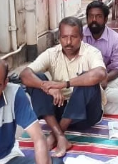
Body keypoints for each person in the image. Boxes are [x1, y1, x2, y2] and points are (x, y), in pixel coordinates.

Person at [20, 17, 107, 156]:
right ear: (59, 37)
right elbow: (24, 74)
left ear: (81, 37)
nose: (68, 42)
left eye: (73, 37)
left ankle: (54, 136)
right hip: (59, 111)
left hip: (87, 115)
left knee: (87, 80)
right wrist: (46, 86)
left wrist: (63, 84)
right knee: (39, 80)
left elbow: (100, 73)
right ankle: (60, 136)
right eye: (64, 37)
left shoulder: (91, 52)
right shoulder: (52, 53)